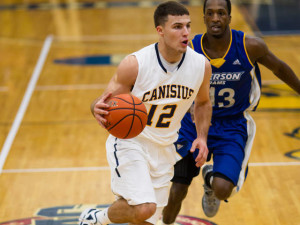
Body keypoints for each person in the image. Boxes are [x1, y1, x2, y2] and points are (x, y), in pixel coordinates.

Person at [161, 0, 300, 222]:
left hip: (232, 126)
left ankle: (210, 182)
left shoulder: (250, 46)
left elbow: (280, 68)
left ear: (229, 18)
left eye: (221, 13)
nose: (216, 18)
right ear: (204, 17)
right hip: (193, 125)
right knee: (177, 190)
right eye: (210, 13)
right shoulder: (189, 49)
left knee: (223, 189)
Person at [78, 1, 212, 225]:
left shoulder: (201, 66)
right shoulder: (136, 64)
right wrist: (95, 108)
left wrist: (202, 137)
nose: (186, 32)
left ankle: (97, 218)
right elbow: (104, 102)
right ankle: (95, 219)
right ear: (160, 30)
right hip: (131, 142)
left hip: (165, 148)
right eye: (177, 26)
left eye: (188, 26)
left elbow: (204, 102)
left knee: (145, 219)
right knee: (144, 208)